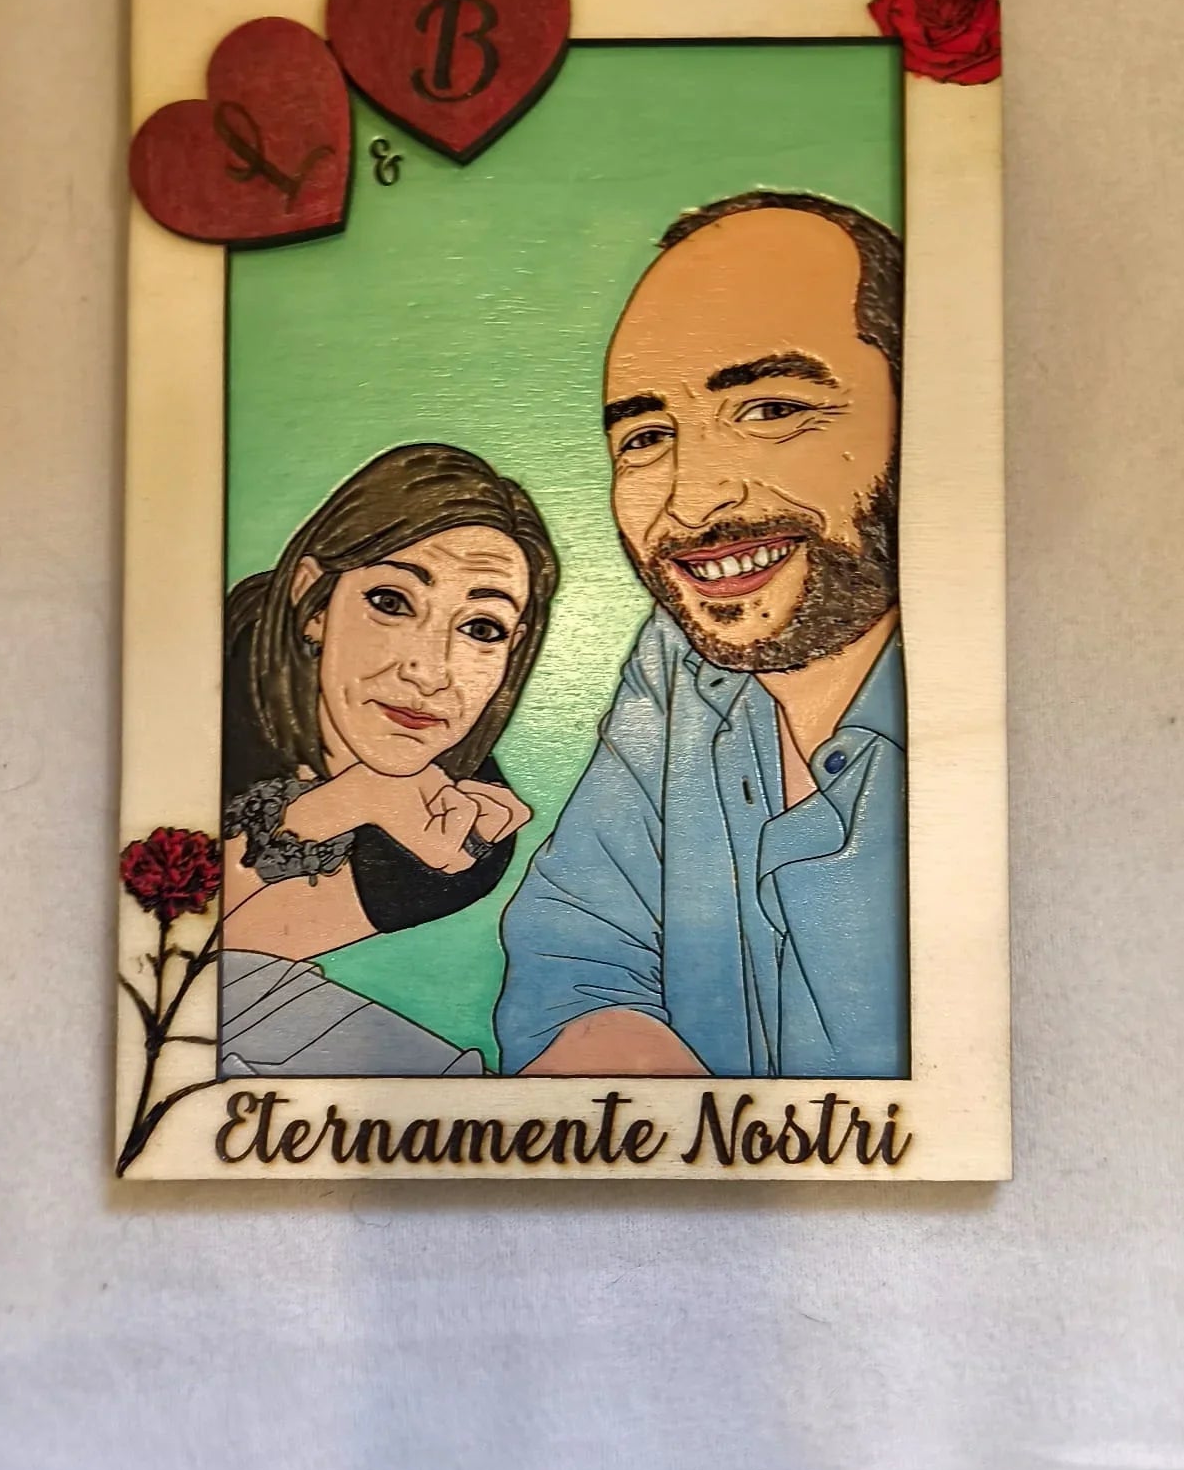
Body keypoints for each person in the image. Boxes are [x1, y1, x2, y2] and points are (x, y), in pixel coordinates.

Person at [495, 191, 908, 1080]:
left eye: (770, 410)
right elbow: (575, 957)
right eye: (646, 437)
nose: (691, 501)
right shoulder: (679, 661)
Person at [223, 442, 558, 965]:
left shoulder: (465, 826)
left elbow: (224, 963)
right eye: (391, 602)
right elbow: (168, 936)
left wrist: (362, 804)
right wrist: (335, 806)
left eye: (481, 629)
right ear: (313, 603)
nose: (430, 674)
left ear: (513, 649)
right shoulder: (212, 682)